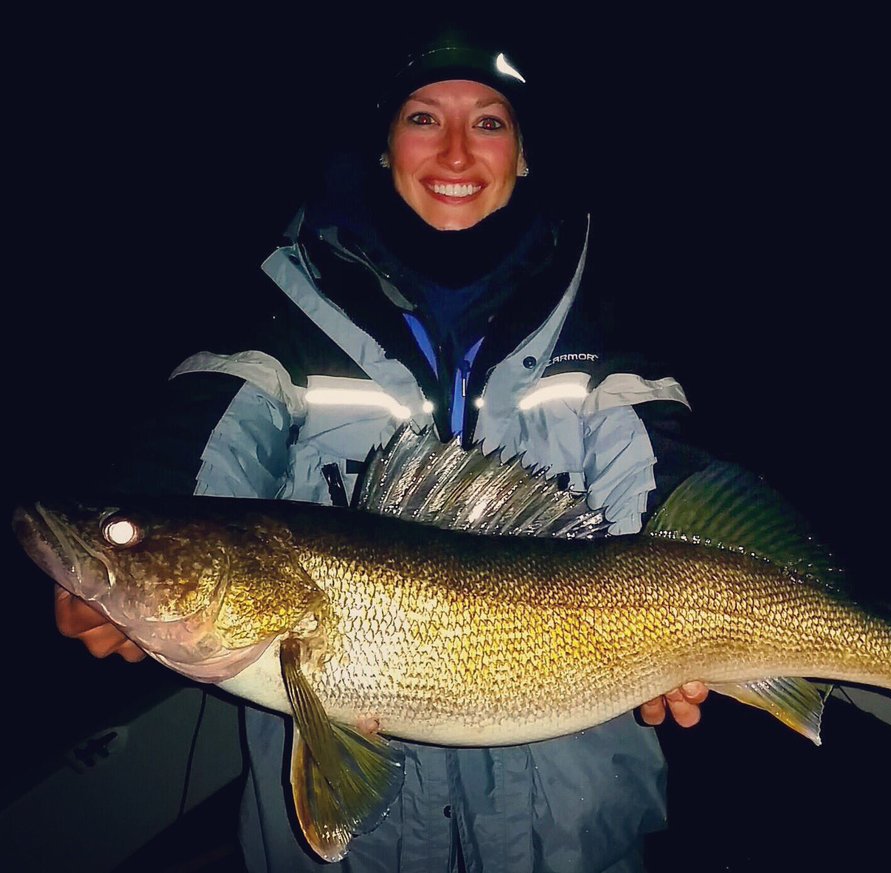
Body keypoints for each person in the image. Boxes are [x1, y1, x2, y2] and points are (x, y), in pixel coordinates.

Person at [55, 26, 710, 873]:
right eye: (422, 117)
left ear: (524, 154)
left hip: (567, 820)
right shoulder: (286, 307)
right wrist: (126, 535)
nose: (455, 151)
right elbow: (195, 448)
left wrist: (694, 631)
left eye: (489, 122)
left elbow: (661, 474)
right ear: (384, 144)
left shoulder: (599, 314)